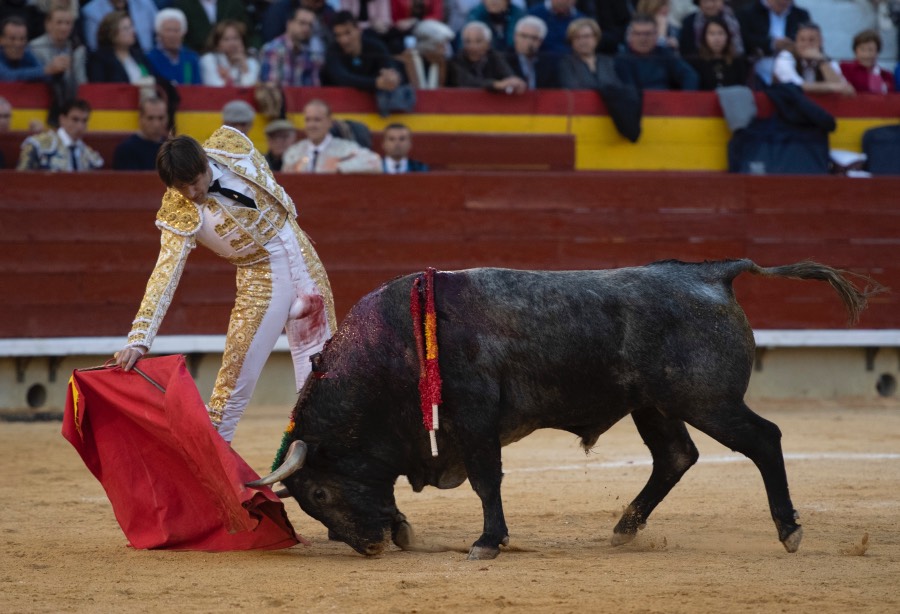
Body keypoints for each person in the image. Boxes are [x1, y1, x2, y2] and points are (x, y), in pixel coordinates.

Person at [114, 126, 337, 444]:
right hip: (260, 281)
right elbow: (164, 275)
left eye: (194, 182)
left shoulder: (233, 145)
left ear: (205, 162)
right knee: (230, 391)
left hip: (304, 260)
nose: (191, 194)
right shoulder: (178, 213)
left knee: (322, 378)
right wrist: (139, 339)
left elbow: (274, 190)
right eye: (181, 188)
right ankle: (212, 476)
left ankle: (318, 468)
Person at [282, 98, 382, 173]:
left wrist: (340, 166)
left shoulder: (345, 148)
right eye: (308, 120)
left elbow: (376, 162)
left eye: (317, 120)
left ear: (330, 122)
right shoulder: (294, 151)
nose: (311, 125)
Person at [322, 11, 402, 94]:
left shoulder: (375, 47)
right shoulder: (332, 51)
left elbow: (390, 67)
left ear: (359, 30)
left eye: (348, 33)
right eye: (338, 35)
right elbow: (341, 77)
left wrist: (391, 77)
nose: (343, 40)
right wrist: (376, 83)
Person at [615, 14, 699, 90]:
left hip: (665, 102)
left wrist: (684, 100)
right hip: (636, 103)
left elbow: (690, 75)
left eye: (647, 33)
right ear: (630, 36)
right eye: (638, 34)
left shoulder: (664, 53)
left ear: (656, 35)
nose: (643, 39)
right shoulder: (622, 59)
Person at [17, 98, 104, 171]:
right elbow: (22, 179)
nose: (80, 126)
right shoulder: (37, 145)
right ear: (62, 119)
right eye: (75, 119)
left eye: (84, 121)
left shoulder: (90, 156)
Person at [737, 0, 811, 86]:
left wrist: (792, 45)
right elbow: (744, 41)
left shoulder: (801, 15)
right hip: (758, 69)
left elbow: (808, 38)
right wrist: (772, 44)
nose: (783, 2)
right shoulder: (748, 13)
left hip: (792, 64)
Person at [772, 22, 854, 96]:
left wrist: (822, 62)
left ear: (821, 42)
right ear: (796, 42)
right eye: (802, 40)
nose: (806, 44)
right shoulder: (785, 57)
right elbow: (794, 85)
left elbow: (842, 87)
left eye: (812, 40)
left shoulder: (826, 60)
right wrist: (831, 87)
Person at [27, 7, 88, 105]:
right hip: (40, 99)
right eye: (59, 22)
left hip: (70, 100)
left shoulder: (78, 50)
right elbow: (33, 78)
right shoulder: (34, 47)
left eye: (68, 23)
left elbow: (81, 81)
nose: (64, 28)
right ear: (48, 24)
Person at [448, 20, 526, 93]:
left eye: (478, 41)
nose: (473, 46)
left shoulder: (495, 57)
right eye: (467, 42)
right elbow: (467, 82)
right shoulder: (456, 60)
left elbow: (508, 75)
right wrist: (496, 84)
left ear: (488, 44)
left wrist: (514, 82)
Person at [259, 6, 325, 87]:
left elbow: (315, 89)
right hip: (279, 98)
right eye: (302, 23)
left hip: (306, 98)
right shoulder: (273, 49)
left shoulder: (313, 53)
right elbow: (271, 90)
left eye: (310, 25)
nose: (307, 28)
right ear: (289, 24)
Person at [87, 10, 156, 85]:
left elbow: (151, 78)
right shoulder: (99, 59)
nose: (133, 31)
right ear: (112, 33)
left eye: (132, 26)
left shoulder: (138, 55)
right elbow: (99, 88)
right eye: (126, 28)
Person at [559, 17, 625, 89]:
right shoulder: (566, 63)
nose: (582, 41)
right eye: (577, 37)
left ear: (596, 38)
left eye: (586, 36)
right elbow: (572, 87)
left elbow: (618, 87)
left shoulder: (607, 62)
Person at [685, 15, 749, 89]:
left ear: (727, 37)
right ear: (704, 37)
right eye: (712, 34)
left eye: (721, 33)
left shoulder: (738, 62)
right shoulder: (695, 62)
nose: (717, 38)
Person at [0, 15, 71, 82]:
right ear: (1, 40)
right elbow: (8, 76)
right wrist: (47, 70)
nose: (18, 44)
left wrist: (58, 70)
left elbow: (46, 75)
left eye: (22, 39)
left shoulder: (26, 53)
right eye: (12, 39)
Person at [146, 8, 202, 84]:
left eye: (176, 30)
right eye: (168, 30)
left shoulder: (191, 58)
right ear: (159, 33)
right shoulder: (149, 58)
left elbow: (198, 87)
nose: (172, 35)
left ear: (183, 33)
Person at [171, 0, 250, 53]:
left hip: (231, 55)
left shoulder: (232, 3)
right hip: (197, 55)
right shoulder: (183, 4)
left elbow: (248, 30)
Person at [112, 96, 169, 170]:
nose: (156, 124)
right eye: (150, 118)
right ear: (140, 118)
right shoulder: (126, 150)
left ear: (167, 118)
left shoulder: (173, 149)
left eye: (161, 118)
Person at [396, 18, 454, 89]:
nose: (445, 51)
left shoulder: (443, 64)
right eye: (441, 46)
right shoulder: (403, 63)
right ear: (428, 47)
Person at [81, 0, 158, 53]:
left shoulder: (145, 3)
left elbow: (159, 32)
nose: (134, 31)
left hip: (148, 58)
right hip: (113, 63)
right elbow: (94, 47)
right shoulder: (91, 12)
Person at [200, 19, 260, 86]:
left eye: (236, 38)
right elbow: (215, 87)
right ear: (217, 44)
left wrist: (244, 68)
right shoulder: (208, 59)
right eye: (226, 39)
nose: (232, 43)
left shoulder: (251, 62)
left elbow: (251, 89)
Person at [505, 15, 558, 89]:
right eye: (524, 36)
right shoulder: (503, 59)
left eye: (534, 38)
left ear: (541, 42)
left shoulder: (548, 62)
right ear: (515, 36)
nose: (528, 41)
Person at [678, 0, 744, 58]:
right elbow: (685, 52)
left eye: (714, 1)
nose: (710, 5)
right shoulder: (689, 22)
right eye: (705, 1)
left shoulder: (735, 20)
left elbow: (740, 50)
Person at [840, 29, 894, 94]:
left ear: (877, 52)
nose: (866, 55)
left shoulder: (886, 76)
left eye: (870, 50)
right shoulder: (844, 68)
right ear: (855, 51)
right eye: (862, 49)